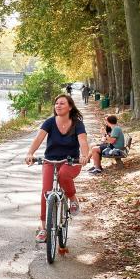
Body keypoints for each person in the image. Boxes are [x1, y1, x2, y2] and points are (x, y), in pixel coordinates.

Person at [24, 94, 91, 242]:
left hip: (71, 161)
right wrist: (30, 153)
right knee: (46, 191)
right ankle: (43, 228)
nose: (58, 106)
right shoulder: (49, 122)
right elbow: (38, 139)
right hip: (50, 160)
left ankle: (72, 198)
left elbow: (83, 141)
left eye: (62, 103)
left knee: (63, 175)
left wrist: (84, 156)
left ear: (70, 107)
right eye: (56, 103)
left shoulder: (77, 123)